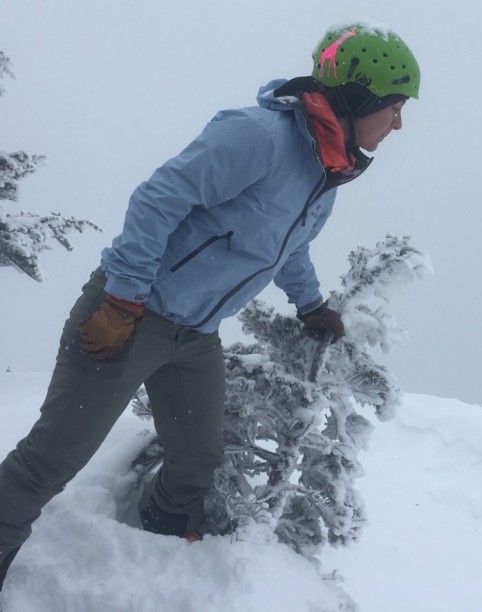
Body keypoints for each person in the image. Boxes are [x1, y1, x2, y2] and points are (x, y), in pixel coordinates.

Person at [0, 22, 420, 590]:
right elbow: (159, 198)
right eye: (393, 107)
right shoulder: (259, 136)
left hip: (195, 335)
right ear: (358, 98)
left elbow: (289, 248)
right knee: (49, 461)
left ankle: (162, 556)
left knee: (196, 463)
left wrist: (311, 305)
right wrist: (123, 297)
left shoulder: (325, 173)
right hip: (132, 313)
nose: (398, 123)